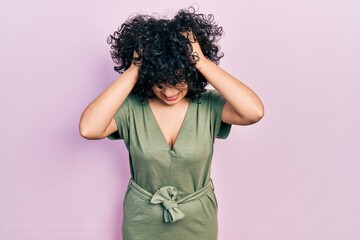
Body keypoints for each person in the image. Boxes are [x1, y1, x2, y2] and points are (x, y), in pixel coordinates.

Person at [79, 6, 264, 240]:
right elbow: (88, 128)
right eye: (159, 83)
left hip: (198, 219)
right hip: (142, 219)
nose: (168, 92)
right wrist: (135, 67)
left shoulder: (207, 105)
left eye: (178, 80)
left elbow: (254, 112)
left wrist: (201, 62)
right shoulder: (131, 107)